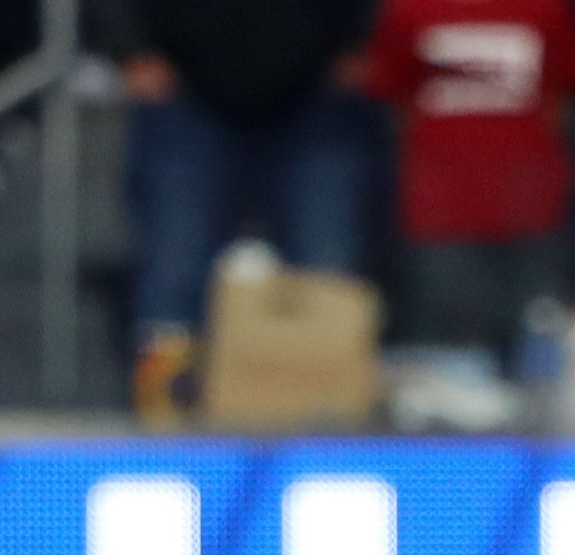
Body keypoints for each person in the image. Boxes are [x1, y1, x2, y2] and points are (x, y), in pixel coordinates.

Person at [105, 0, 380, 417]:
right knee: (173, 271)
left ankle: (329, 424)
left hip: (317, 89)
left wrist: (366, 42)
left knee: (328, 271)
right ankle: (161, 419)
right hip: (185, 87)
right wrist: (128, 49)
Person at [366, 0, 575, 354]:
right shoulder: (408, 10)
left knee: (538, 340)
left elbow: (562, 94)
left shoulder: (547, 9)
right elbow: (396, 96)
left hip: (531, 208)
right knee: (452, 350)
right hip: (442, 210)